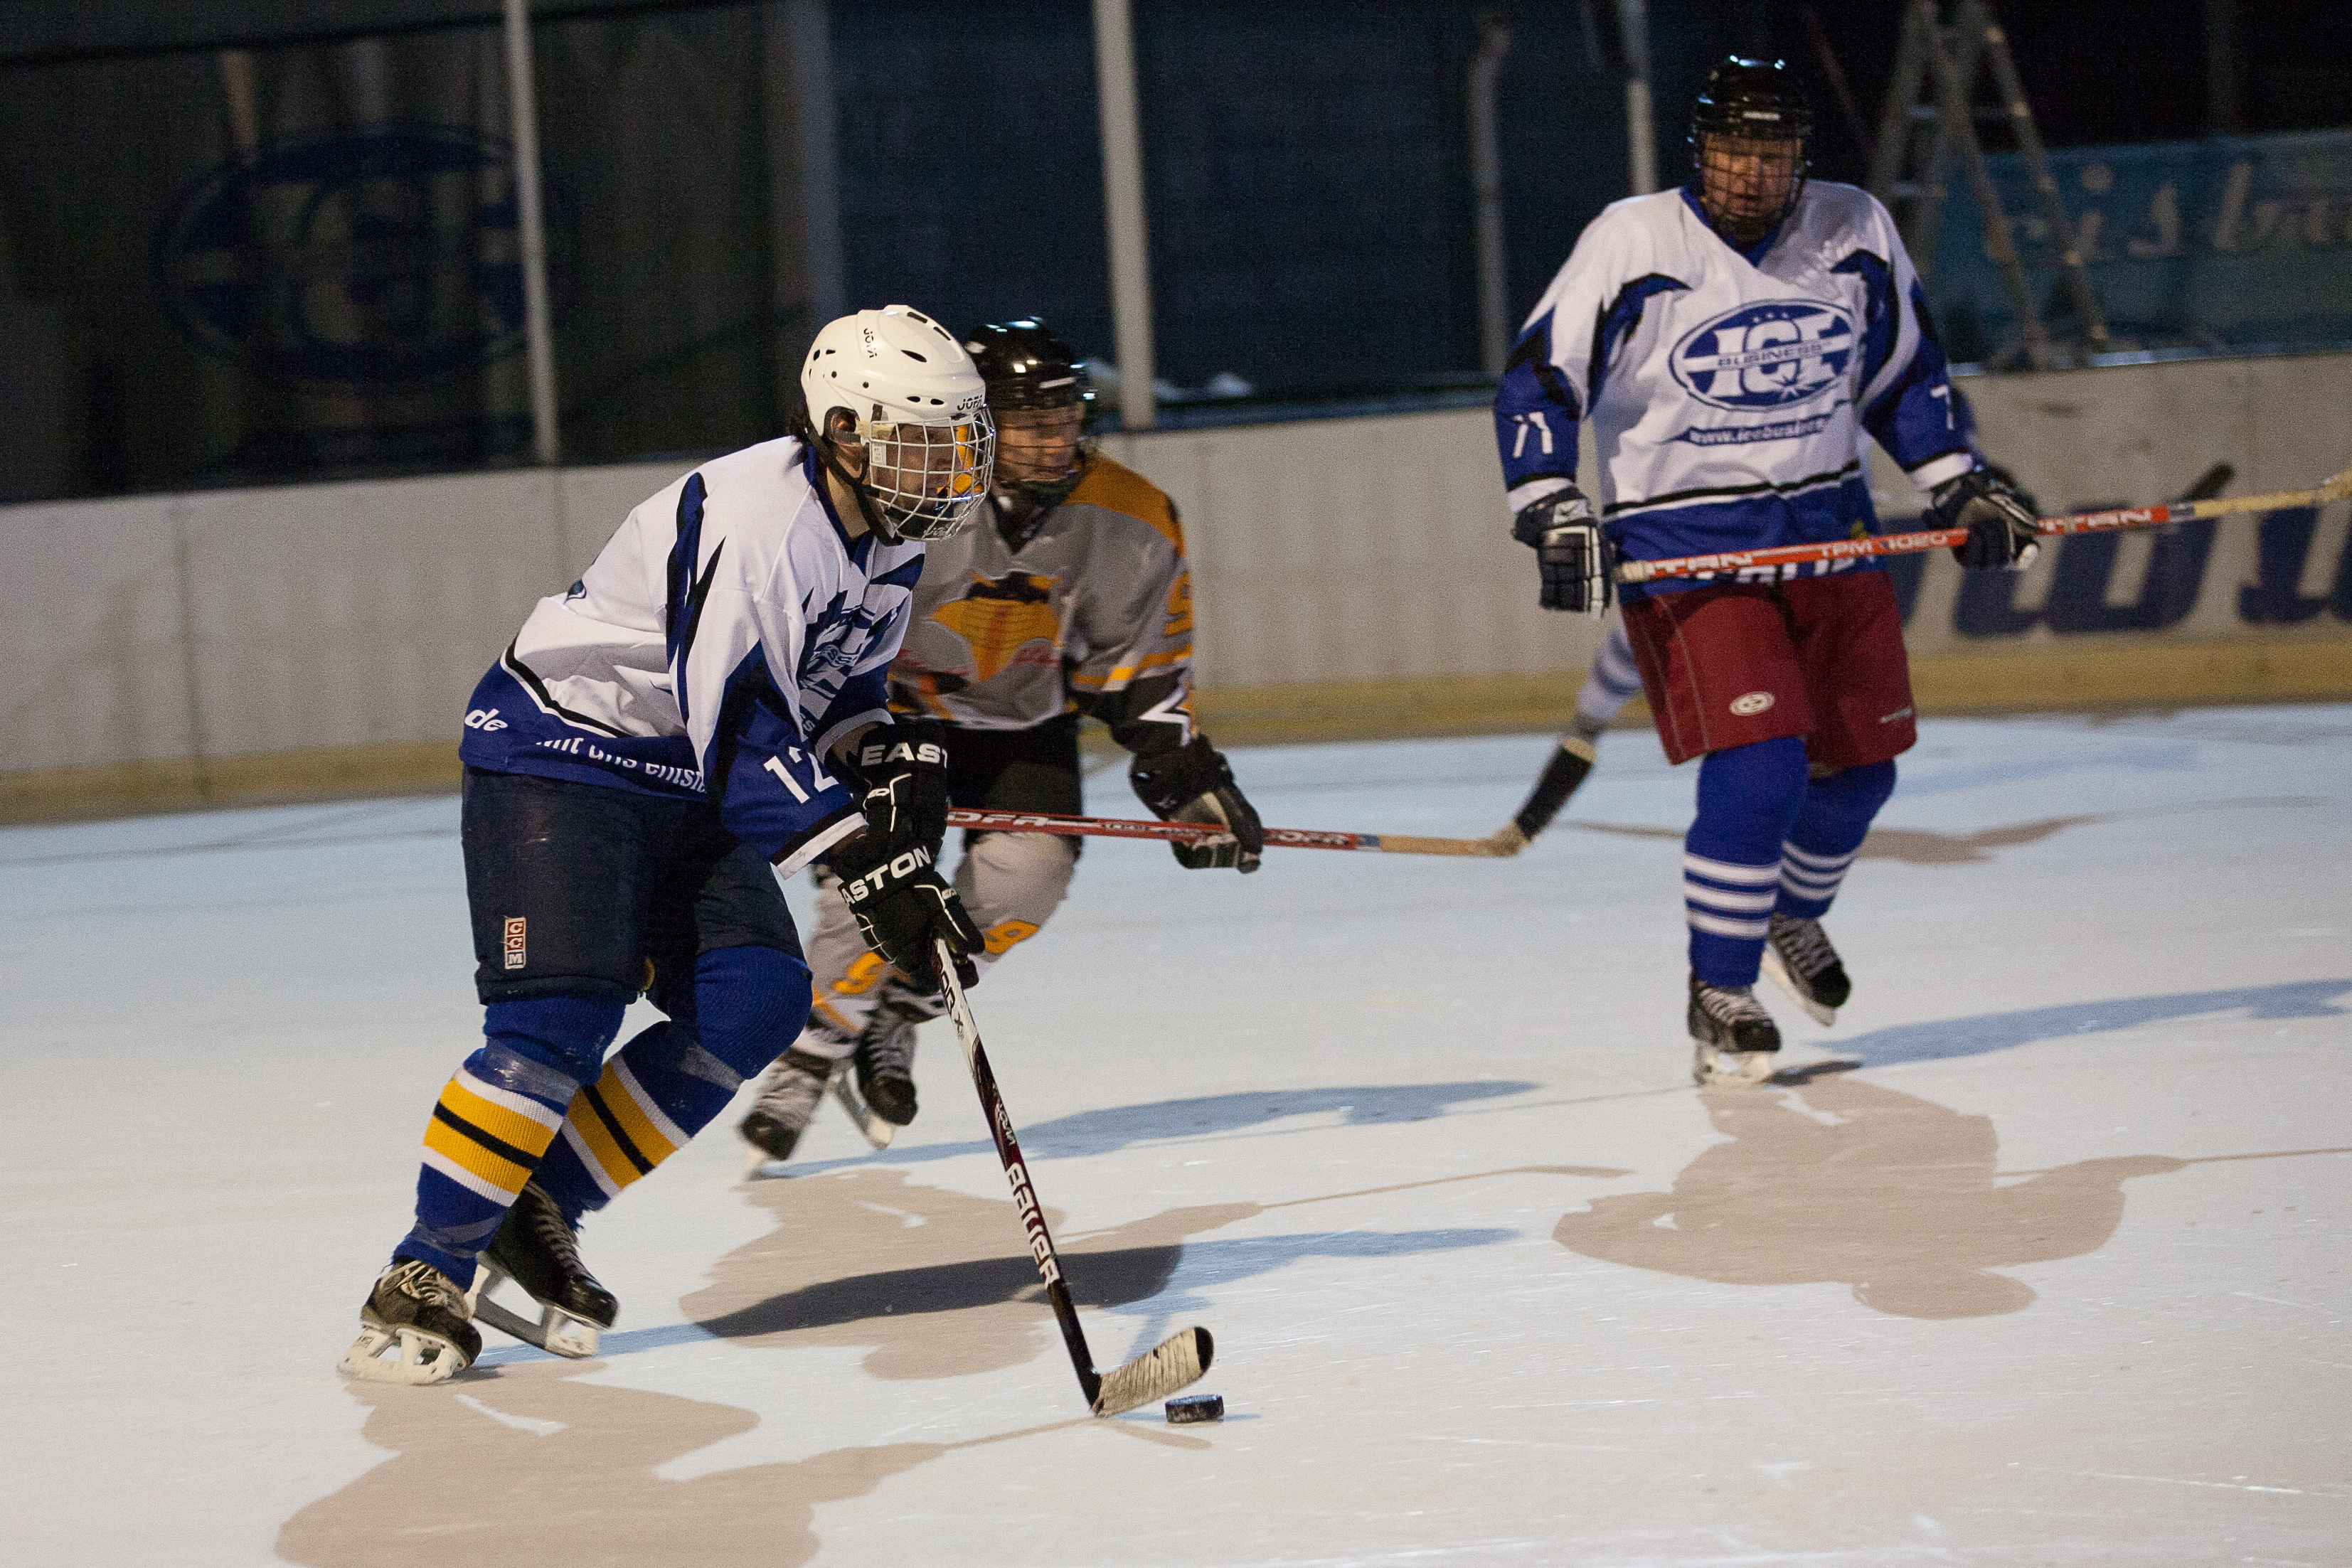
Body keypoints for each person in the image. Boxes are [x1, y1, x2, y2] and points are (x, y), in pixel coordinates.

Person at [339, 304, 994, 1384]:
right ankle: (423, 1268)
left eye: (954, 440)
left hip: (680, 776)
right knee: (556, 1020)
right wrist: (861, 858)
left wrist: (885, 757)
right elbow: (735, 721)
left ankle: (540, 1206)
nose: (947, 466)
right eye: (920, 440)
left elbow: (832, 691)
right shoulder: (762, 523)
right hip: (564, 757)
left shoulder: (886, 536)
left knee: (755, 1000)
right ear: (842, 430)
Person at [1492, 58, 2041, 1087]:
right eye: (1731, 150)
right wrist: (1547, 500)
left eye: (1771, 152)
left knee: (1863, 770)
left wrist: (1955, 484)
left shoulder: (1852, 226)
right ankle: (1720, 988)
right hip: (1687, 546)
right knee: (1761, 765)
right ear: (1698, 150)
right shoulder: (1632, 240)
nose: (1749, 172)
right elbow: (1539, 378)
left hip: (1830, 529)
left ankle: (1789, 912)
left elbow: (1902, 375)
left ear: (1800, 158)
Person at [738, 318, 1263, 1164]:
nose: (1056, 441)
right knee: (875, 887)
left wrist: (1181, 771)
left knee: (1028, 881)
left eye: (1066, 420)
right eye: (1030, 424)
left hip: (1023, 724)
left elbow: (1140, 666)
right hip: (888, 719)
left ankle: (900, 1010)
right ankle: (813, 1053)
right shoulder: (912, 492)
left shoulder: (1130, 514)